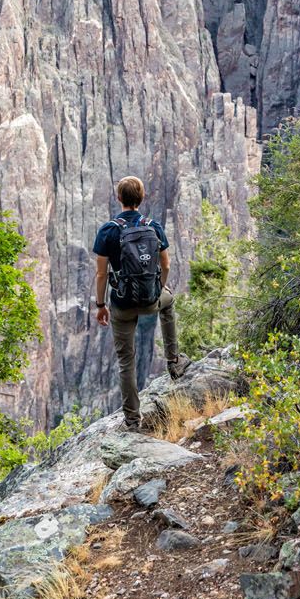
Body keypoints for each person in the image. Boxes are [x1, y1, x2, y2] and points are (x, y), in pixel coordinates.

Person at [92, 175, 190, 430]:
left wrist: (100, 305)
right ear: (142, 198)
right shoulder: (153, 226)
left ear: (118, 198)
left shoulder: (108, 230)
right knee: (168, 303)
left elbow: (101, 274)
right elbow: (166, 264)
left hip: (122, 304)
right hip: (150, 299)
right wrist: (160, 287)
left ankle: (133, 421)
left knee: (126, 361)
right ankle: (173, 361)